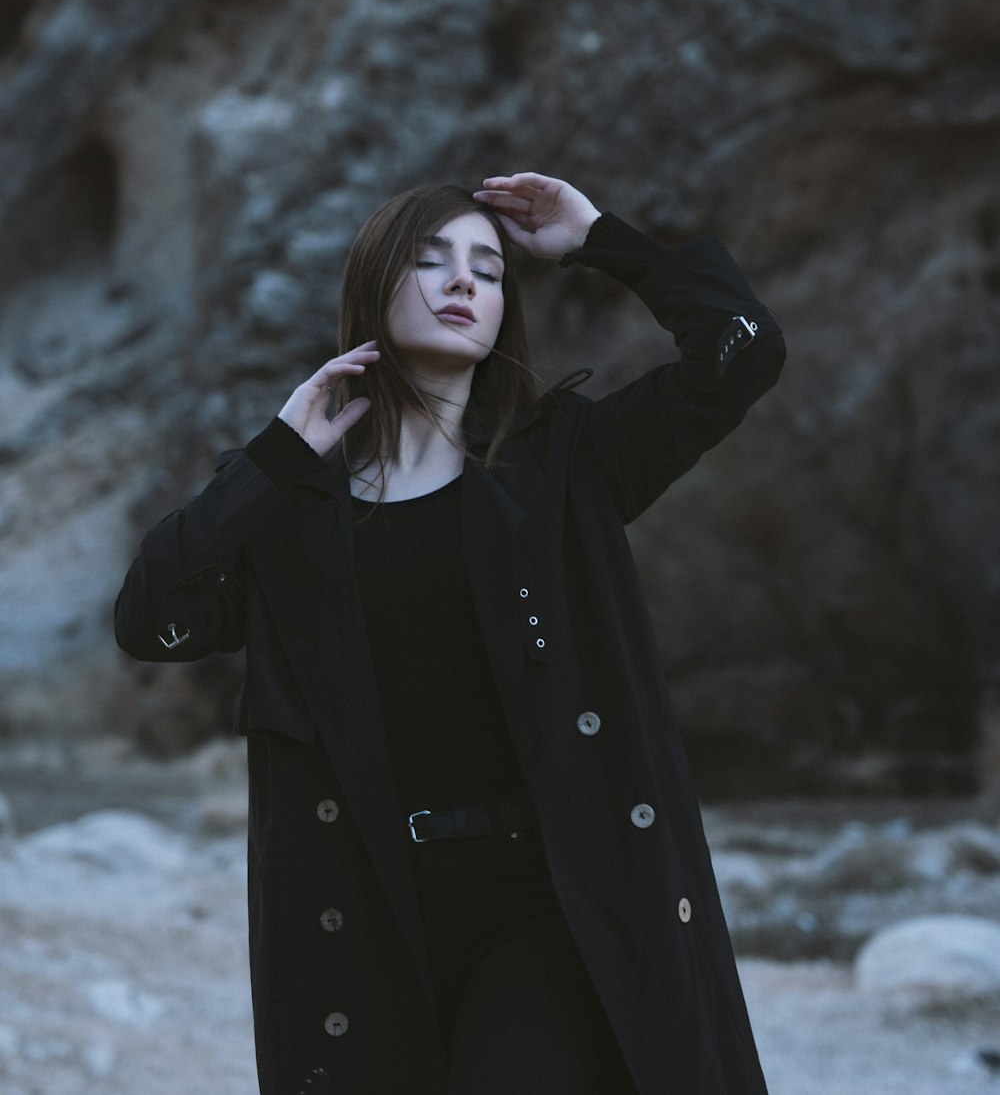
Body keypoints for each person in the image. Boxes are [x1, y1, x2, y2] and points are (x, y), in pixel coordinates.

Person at [114, 170, 786, 1095]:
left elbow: (741, 352)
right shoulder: (296, 510)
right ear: (373, 287)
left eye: (489, 268)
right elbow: (153, 620)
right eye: (431, 261)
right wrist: (271, 459)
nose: (466, 282)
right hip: (367, 909)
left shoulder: (562, 470)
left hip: (547, 904)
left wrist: (603, 239)